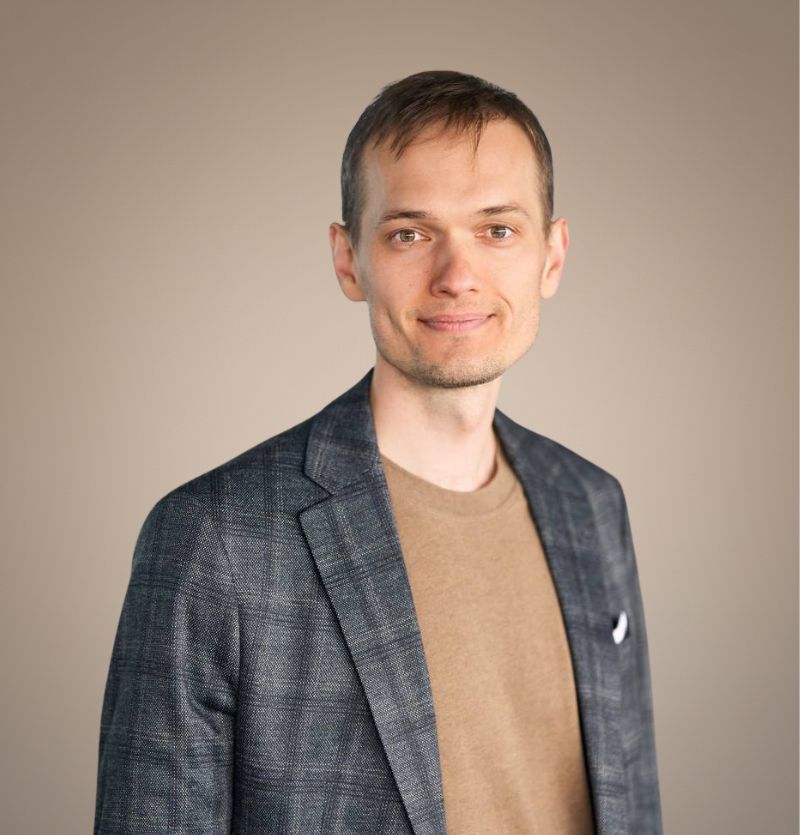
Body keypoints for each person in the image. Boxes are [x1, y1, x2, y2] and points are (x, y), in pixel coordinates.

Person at [94, 70, 662, 834]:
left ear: (552, 257)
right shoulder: (215, 539)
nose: (456, 277)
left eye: (497, 230)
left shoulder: (592, 504)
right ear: (348, 259)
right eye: (410, 234)